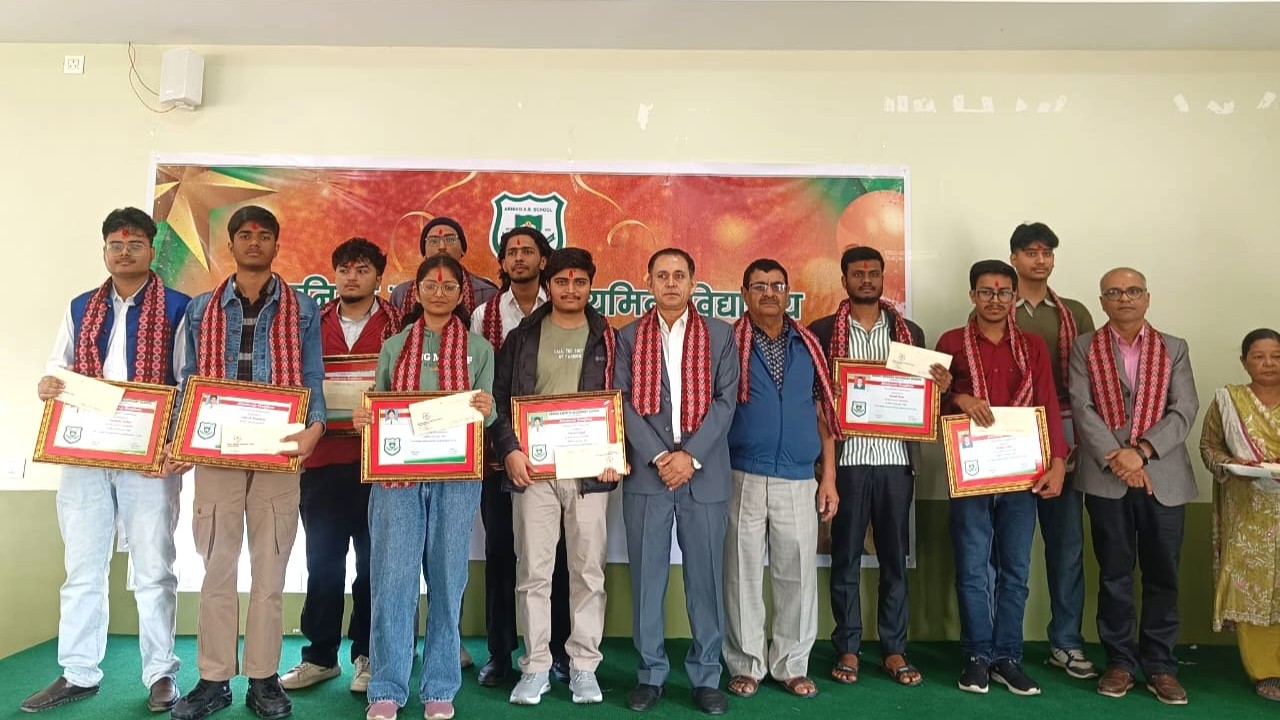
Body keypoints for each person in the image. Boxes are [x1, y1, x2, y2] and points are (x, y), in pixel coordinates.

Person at [23, 208, 190, 714]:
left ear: (151, 250)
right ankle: (78, 672)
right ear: (104, 251)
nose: (124, 252)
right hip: (85, 454)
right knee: (82, 567)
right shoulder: (81, 307)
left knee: (154, 568)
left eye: (135, 244)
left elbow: (187, 381)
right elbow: (59, 367)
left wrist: (177, 444)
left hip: (149, 457)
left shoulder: (179, 307)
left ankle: (161, 673)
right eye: (115, 244)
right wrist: (48, 383)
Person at [170, 205, 327, 720]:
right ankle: (214, 680)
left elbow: (312, 377)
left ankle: (263, 678)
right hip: (217, 454)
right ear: (231, 245)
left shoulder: (303, 310)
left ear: (276, 245)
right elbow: (188, 381)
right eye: (244, 235)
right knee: (217, 567)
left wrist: (315, 429)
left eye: (263, 235)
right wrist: (181, 440)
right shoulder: (201, 309)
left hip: (279, 452)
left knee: (270, 567)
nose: (253, 242)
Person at [354, 254, 497, 720]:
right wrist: (365, 418)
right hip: (397, 478)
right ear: (416, 291)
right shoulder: (394, 346)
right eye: (430, 286)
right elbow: (379, 406)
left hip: (457, 479)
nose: (439, 293)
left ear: (461, 294)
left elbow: (487, 413)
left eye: (449, 286)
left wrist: (487, 408)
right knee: (393, 580)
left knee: (448, 579)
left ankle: (439, 685)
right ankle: (387, 687)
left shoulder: (479, 349)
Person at [808, 245, 948, 687]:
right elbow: (812, 396)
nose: (866, 279)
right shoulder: (822, 331)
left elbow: (924, 397)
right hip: (846, 462)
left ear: (884, 277)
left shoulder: (909, 332)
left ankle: (894, 649)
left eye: (873, 273)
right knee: (845, 558)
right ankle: (848, 648)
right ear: (844, 280)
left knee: (894, 559)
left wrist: (939, 386)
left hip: (895, 462)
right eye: (858, 273)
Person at [490, 248, 619, 705]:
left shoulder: (608, 337)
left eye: (579, 282)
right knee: (533, 573)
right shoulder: (522, 336)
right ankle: (535, 667)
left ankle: (583, 666)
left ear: (590, 286)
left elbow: (621, 399)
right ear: (549, 285)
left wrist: (614, 452)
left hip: (590, 474)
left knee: (587, 572)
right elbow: (498, 400)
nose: (570, 289)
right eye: (562, 281)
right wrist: (509, 450)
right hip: (534, 472)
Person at [935, 259, 1067, 697]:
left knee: (1015, 569)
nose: (995, 300)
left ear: (1014, 297)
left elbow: (1047, 403)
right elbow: (931, 401)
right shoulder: (951, 343)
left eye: (1004, 292)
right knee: (973, 567)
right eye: (986, 292)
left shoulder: (1031, 346)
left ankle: (1008, 658)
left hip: (1022, 472)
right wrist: (959, 396)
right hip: (971, 473)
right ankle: (976, 656)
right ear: (972, 295)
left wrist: (1058, 462)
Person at [615, 248, 738, 715]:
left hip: (704, 476)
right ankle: (650, 674)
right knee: (647, 579)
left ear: (693, 282)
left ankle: (706, 676)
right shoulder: (628, 337)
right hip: (650, 474)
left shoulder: (721, 335)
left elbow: (726, 402)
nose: (671, 283)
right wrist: (662, 455)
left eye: (679, 275)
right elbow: (622, 402)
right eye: (662, 276)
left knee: (705, 579)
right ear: (648, 282)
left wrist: (691, 456)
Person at [1069, 267, 1198, 705]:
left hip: (1164, 477)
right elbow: (1082, 407)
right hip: (1107, 477)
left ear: (1147, 297)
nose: (1124, 298)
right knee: (1114, 574)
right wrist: (1118, 457)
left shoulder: (1174, 347)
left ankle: (1160, 666)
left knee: (1163, 574)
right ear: (1102, 301)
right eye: (1114, 292)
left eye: (1133, 290)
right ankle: (1120, 663)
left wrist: (1140, 452)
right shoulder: (1084, 346)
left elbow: (1184, 409)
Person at [280, 238, 402, 694]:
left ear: (378, 277)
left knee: (374, 568)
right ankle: (320, 657)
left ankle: (368, 656)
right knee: (322, 565)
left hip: (379, 467)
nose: (352, 277)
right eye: (345, 269)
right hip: (323, 462)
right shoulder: (312, 322)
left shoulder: (399, 324)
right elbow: (297, 381)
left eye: (362, 269)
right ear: (334, 275)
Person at [722, 259, 840, 700]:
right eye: (759, 286)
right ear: (744, 293)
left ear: (788, 293)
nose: (769, 293)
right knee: (741, 574)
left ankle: (791, 664)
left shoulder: (808, 345)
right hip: (742, 474)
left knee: (798, 574)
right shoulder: (726, 344)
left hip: (798, 477)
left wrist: (829, 477)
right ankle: (746, 664)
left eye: (777, 286)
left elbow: (824, 413)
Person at [470, 228, 573, 688]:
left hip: (557, 459)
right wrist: (505, 444)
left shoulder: (564, 309)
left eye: (527, 251)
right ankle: (500, 653)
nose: (518, 258)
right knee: (499, 554)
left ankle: (558, 652)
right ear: (503, 262)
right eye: (511, 252)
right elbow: (479, 385)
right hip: (500, 455)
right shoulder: (484, 314)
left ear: (543, 260)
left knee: (557, 557)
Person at [1006, 222, 1098, 680]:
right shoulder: (1000, 306)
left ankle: (1066, 642)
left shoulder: (1074, 313)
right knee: (1009, 550)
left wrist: (1075, 442)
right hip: (1009, 438)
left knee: (1066, 547)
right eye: (1031, 252)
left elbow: (1091, 380)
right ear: (1014, 258)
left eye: (1047, 252)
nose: (1040, 260)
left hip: (1065, 438)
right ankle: (1002, 646)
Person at [1199, 328, 1280, 702]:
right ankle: (1265, 671)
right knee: (1251, 584)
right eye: (1259, 356)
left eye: (1276, 356)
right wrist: (1232, 463)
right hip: (1247, 508)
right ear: (1245, 361)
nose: (1268, 364)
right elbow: (1208, 447)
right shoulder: (1228, 401)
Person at [391, 217, 498, 320]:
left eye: (450, 239)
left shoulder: (486, 293)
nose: (442, 247)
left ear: (462, 249)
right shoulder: (400, 294)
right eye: (433, 241)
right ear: (424, 253)